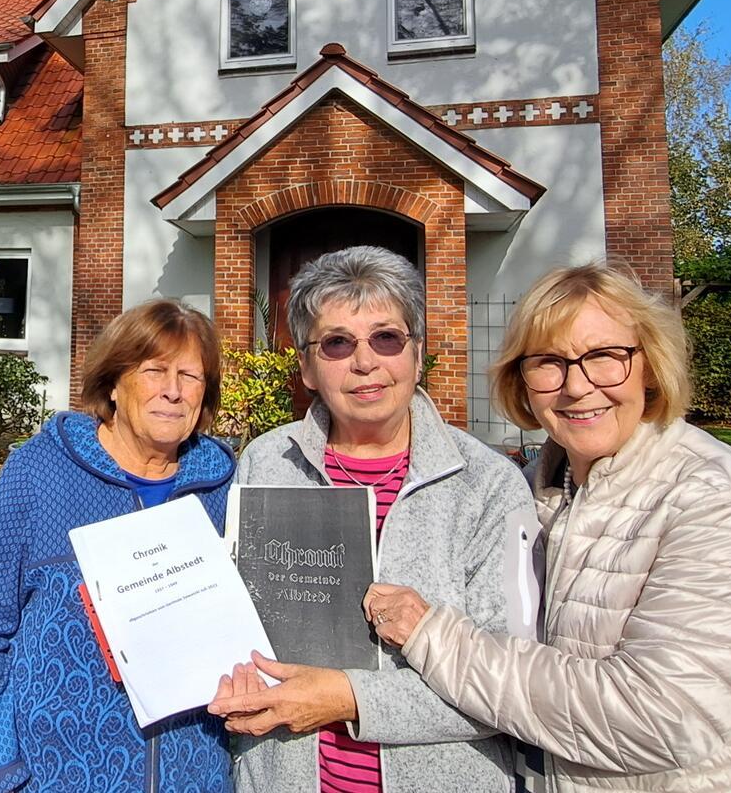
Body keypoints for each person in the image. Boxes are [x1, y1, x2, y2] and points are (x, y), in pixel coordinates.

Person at [363, 263, 731, 791]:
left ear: (650, 365)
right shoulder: (536, 491)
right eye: (549, 362)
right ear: (521, 381)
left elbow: (660, 716)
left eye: (605, 357)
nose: (576, 386)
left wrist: (433, 636)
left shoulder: (724, 503)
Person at [212, 245, 532, 792]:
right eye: (337, 343)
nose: (365, 362)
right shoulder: (266, 462)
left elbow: (514, 687)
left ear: (417, 352)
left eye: (387, 338)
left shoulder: (487, 484)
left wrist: (347, 698)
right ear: (308, 367)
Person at [0, 298, 237, 792]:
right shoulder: (41, 473)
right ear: (114, 382)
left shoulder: (224, 490)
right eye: (154, 370)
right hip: (52, 775)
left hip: (194, 774)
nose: (172, 391)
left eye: (191, 376)